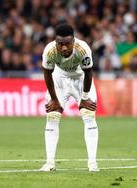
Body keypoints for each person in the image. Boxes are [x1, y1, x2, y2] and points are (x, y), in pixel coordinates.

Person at [39, 23, 99, 172]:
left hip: (81, 79)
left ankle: (92, 163)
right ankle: (49, 163)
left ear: (73, 41)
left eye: (67, 44)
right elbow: (47, 74)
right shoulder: (49, 51)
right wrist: (53, 99)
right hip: (59, 80)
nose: (64, 48)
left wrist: (85, 97)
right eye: (60, 44)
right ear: (55, 42)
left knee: (89, 116)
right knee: (52, 117)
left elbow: (89, 72)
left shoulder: (83, 48)